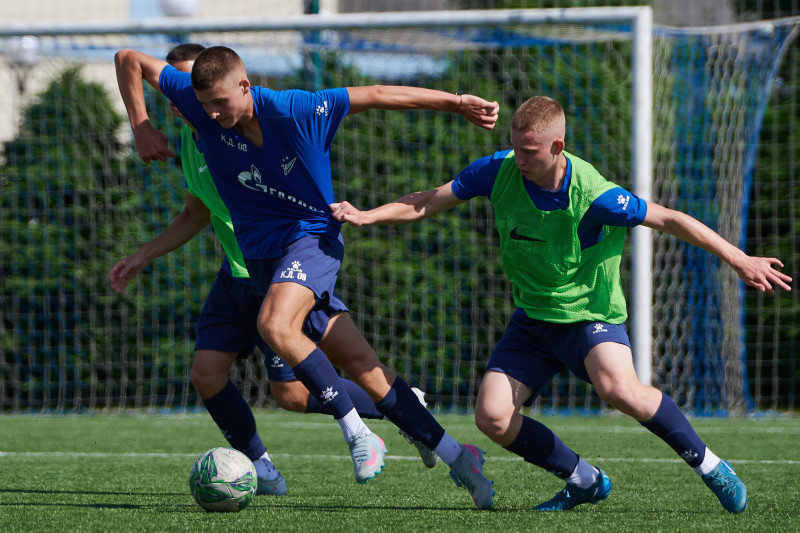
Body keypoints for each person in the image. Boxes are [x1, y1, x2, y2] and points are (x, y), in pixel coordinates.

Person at [330, 95, 793, 513]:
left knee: (620, 389)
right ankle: (583, 479)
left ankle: (711, 466)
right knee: (492, 417)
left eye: (529, 151)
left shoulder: (593, 196)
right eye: (516, 147)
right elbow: (429, 200)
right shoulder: (498, 170)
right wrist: (368, 215)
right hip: (533, 319)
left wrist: (738, 258)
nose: (520, 159)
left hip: (589, 315)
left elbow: (669, 218)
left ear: (557, 146)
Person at [114, 45, 499, 508]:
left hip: (311, 238)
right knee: (367, 369)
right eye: (206, 105)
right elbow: (128, 58)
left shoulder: (296, 109)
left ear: (245, 85)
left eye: (221, 103)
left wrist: (456, 103)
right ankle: (461, 459)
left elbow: (377, 92)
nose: (212, 114)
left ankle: (357, 432)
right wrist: (140, 125)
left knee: (275, 326)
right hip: (261, 258)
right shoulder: (198, 107)